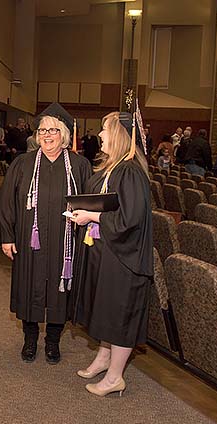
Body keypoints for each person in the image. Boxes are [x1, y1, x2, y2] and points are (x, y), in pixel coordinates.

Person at [0, 103, 92, 365]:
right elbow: (6, 202)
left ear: (63, 134)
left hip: (66, 242)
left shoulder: (79, 165)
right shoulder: (22, 164)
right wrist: (7, 236)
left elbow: (90, 203)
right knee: (31, 287)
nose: (47, 135)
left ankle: (53, 341)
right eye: (42, 131)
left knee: (60, 291)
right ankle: (29, 340)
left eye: (53, 130)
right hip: (30, 242)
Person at [70, 111, 153, 397]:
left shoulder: (130, 171)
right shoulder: (111, 167)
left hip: (125, 258)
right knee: (105, 309)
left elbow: (130, 220)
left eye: (106, 129)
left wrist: (91, 217)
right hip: (107, 253)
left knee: (119, 315)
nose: (101, 134)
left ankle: (116, 376)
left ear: (120, 136)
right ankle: (104, 358)